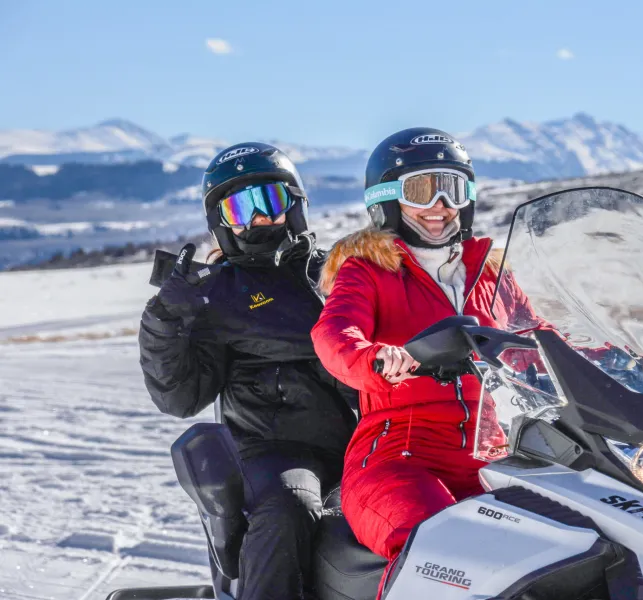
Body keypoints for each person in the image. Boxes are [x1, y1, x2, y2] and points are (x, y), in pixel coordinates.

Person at [310, 128, 534, 589]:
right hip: (397, 458)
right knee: (440, 545)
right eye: (421, 189)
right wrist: (374, 357)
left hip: (494, 455)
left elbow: (540, 338)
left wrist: (615, 361)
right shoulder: (368, 270)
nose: (440, 205)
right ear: (387, 200)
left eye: (453, 188)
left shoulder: (489, 273)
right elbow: (334, 333)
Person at [139, 142, 358, 600]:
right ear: (222, 221)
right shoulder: (217, 294)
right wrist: (165, 320)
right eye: (241, 206)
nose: (258, 218)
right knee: (288, 507)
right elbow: (178, 397)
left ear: (294, 206)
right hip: (274, 449)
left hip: (367, 439)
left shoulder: (338, 274)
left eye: (270, 201)